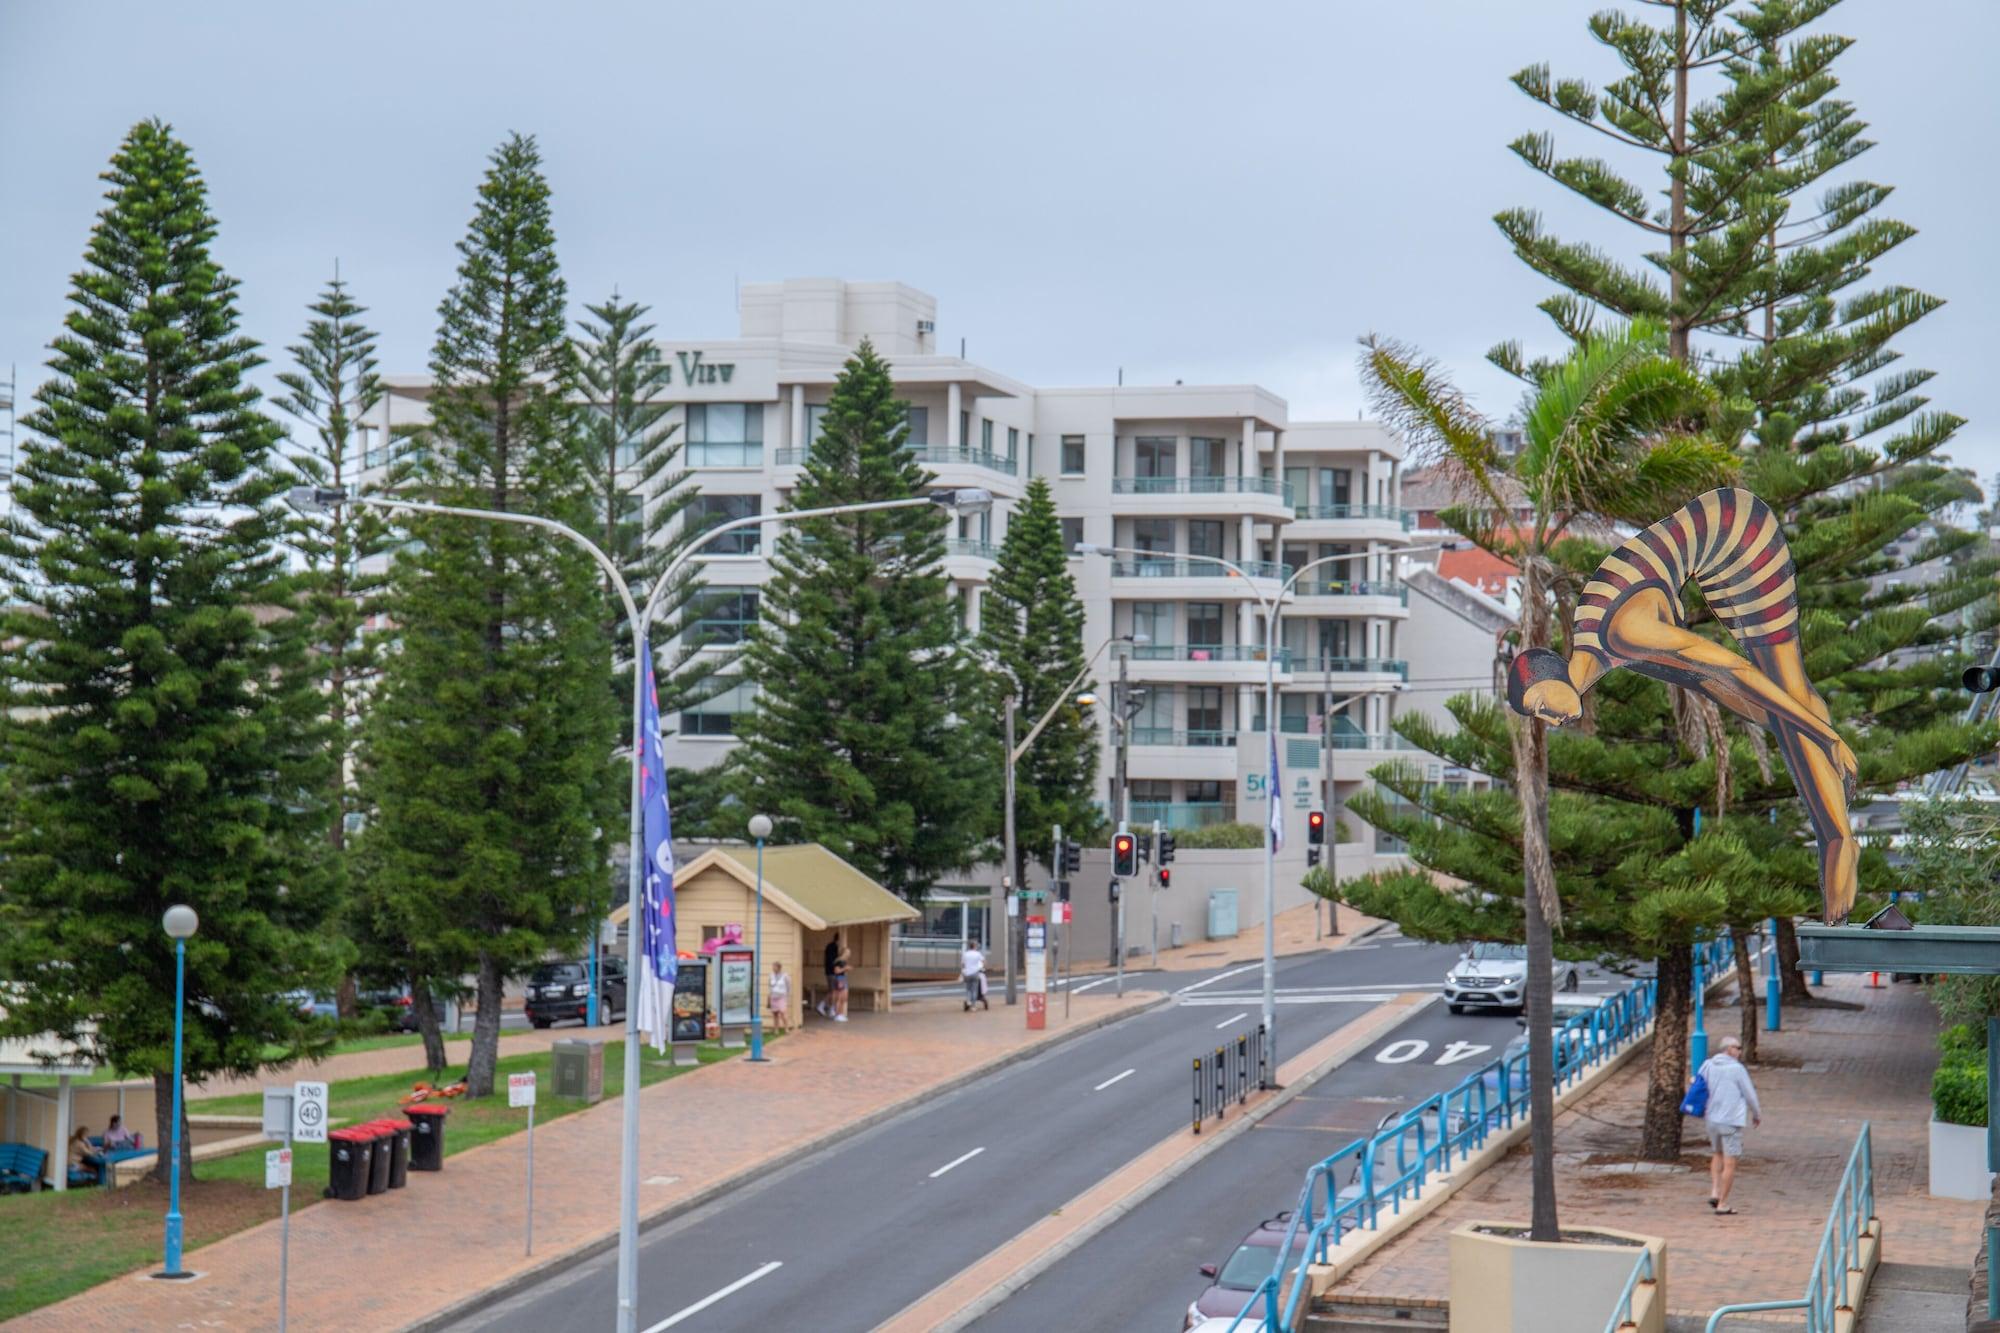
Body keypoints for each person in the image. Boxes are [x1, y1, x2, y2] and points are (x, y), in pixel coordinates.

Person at [1507, 487, 1857, 923]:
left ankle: (1840, 842)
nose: (1552, 718)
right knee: (1771, 707)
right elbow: (1722, 684)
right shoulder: (1602, 649)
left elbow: (1735, 669)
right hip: (1709, 549)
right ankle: (1834, 828)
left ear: (1553, 673)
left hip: (1738, 532)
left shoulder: (1623, 635)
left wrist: (1829, 737)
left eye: (1543, 703)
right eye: (1541, 716)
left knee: (1784, 693)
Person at [1695, 1034, 1762, 1214]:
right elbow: (1749, 1094)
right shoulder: (1737, 1069)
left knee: (1717, 1153)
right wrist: (1756, 1113)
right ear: (1728, 1050)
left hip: (1711, 1118)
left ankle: (1715, 1191)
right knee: (1730, 1162)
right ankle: (1723, 1203)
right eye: (1737, 1048)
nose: (1740, 1051)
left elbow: (1697, 1082)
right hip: (1730, 1120)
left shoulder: (1708, 1064)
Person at [960, 942, 989, 1012]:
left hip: (967, 974)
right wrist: (983, 968)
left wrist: (963, 972)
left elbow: (963, 964)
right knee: (974, 989)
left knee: (968, 989)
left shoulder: (965, 954)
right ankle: (973, 1006)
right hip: (975, 973)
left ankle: (968, 1000)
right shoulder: (977, 954)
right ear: (975, 946)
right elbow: (984, 962)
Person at [830, 935, 851, 1022]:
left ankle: (840, 1014)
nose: (850, 954)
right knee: (840, 998)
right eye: (848, 952)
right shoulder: (839, 961)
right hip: (840, 979)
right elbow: (836, 971)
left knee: (844, 998)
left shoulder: (843, 961)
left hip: (842, 978)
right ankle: (837, 1014)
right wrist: (845, 969)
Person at [768, 960, 791, 1035]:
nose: (773, 968)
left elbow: (788, 986)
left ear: (779, 967)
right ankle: (776, 1029)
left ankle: (786, 1028)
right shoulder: (771, 975)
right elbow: (770, 986)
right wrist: (769, 995)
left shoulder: (785, 976)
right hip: (773, 996)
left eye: (774, 966)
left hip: (782, 996)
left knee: (783, 1012)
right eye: (773, 966)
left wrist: (787, 995)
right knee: (775, 1013)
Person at [819, 934, 839, 1018]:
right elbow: (832, 961)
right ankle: (825, 1006)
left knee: (833, 991)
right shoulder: (833, 947)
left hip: (829, 972)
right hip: (832, 972)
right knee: (833, 991)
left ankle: (827, 1006)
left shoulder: (830, 946)